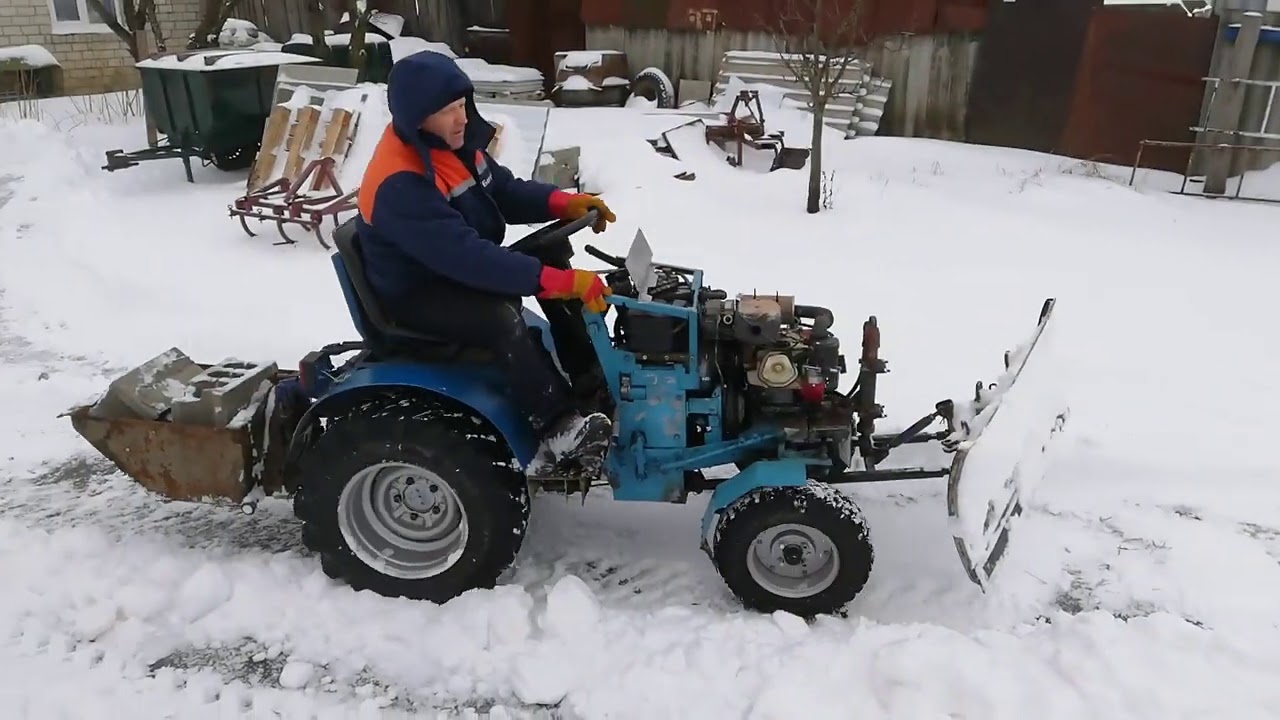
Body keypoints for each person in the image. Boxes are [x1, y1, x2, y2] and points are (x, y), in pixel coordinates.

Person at [354, 49, 617, 479]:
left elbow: (505, 191)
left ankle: (588, 378)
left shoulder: (452, 145)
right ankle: (557, 426)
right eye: (447, 111)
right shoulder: (401, 182)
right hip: (417, 291)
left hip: (449, 267)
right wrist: (556, 283)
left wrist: (566, 203)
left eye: (462, 105)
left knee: (549, 255)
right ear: (417, 117)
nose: (461, 118)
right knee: (500, 317)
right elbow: (466, 257)